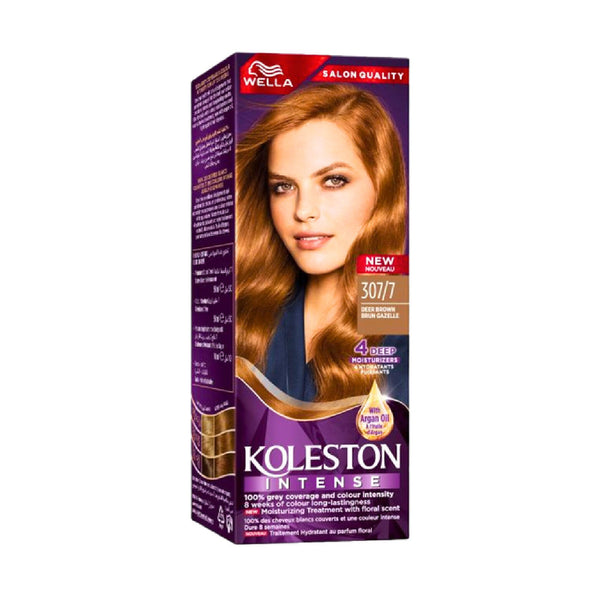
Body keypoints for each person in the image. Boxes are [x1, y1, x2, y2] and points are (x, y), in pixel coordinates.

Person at [236, 84, 408, 403]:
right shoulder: (245, 314)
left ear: (382, 186)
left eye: (333, 181)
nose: (303, 211)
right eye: (283, 186)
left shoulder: (400, 323)